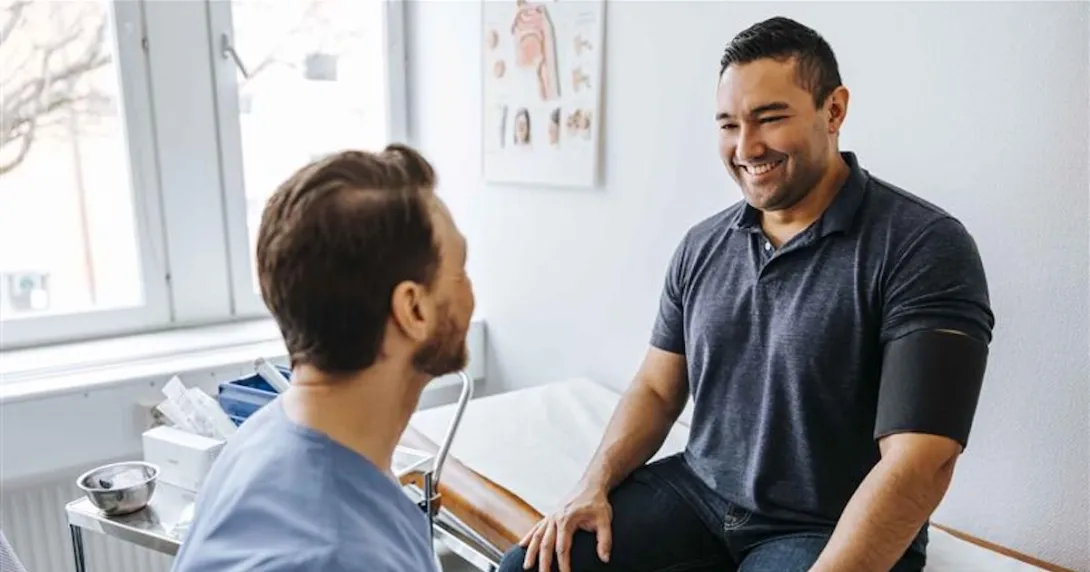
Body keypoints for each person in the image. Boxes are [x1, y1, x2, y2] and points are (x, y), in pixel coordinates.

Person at [500, 16, 993, 572]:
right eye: (728, 124)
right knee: (530, 567)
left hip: (824, 526)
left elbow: (922, 463)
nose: (746, 146)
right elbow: (659, 390)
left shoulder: (923, 246)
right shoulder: (702, 245)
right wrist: (591, 485)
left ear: (834, 110)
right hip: (699, 494)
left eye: (769, 118)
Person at [171, 144, 475, 572]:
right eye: (460, 270)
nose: (469, 292)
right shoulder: (337, 556)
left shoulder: (266, 435)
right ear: (414, 310)